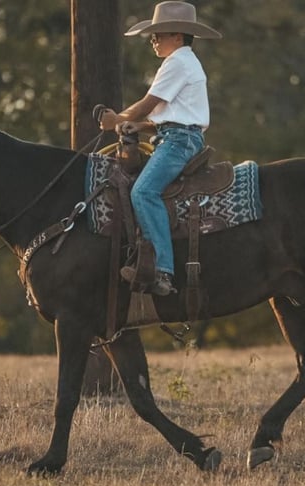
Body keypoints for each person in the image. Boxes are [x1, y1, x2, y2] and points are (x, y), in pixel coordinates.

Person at [100, 1, 221, 296]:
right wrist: (138, 127)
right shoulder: (182, 61)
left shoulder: (178, 61)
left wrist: (118, 119)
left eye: (159, 34)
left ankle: (162, 269)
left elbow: (146, 105)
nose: (153, 40)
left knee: (143, 191)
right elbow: (167, 118)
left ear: (178, 36)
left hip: (179, 143)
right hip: (177, 137)